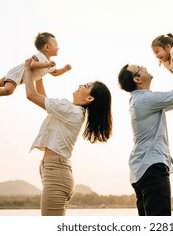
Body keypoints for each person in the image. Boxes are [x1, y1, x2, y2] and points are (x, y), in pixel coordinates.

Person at [24, 58, 112, 216]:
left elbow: (31, 95)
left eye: (85, 86)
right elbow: (41, 96)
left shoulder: (72, 111)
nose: (80, 85)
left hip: (56, 174)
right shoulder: (72, 111)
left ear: (90, 98)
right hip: (55, 171)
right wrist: (40, 74)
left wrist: (28, 68)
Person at [118, 64, 173, 216]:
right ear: (137, 79)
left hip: (141, 169)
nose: (145, 66)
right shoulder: (146, 99)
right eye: (141, 67)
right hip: (151, 168)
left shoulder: (140, 100)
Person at [0, 32, 72, 109]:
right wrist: (47, 64)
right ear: (47, 47)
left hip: (21, 77)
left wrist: (64, 69)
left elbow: (55, 73)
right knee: (8, 90)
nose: (58, 47)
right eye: (55, 44)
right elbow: (33, 65)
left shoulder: (50, 63)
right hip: (18, 73)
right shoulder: (40, 57)